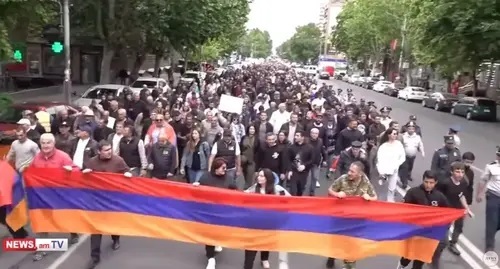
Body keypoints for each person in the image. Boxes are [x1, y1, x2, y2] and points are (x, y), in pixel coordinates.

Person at [82, 140, 131, 269]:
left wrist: (128, 173)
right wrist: (85, 172)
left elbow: (128, 172)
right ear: (99, 151)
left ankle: (115, 238)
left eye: (110, 149)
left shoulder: (118, 160)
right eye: (106, 150)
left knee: (112, 223)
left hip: (113, 199)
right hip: (97, 200)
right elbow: (83, 175)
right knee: (95, 228)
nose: (109, 152)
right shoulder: (92, 162)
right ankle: (95, 257)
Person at [327, 161, 377, 269]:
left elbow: (375, 197)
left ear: (359, 174)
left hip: (356, 221)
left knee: (352, 244)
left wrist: (369, 197)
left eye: (352, 171)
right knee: (337, 241)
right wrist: (337, 194)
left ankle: (348, 265)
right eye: (349, 170)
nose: (349, 173)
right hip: (340, 218)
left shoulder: (365, 182)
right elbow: (330, 190)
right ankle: (332, 256)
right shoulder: (343, 178)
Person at [398, 170, 450, 269]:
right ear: (423, 180)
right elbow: (403, 209)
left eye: (431, 183)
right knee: (408, 256)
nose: (428, 185)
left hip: (429, 233)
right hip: (414, 231)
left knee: (420, 259)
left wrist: (460, 212)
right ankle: (401, 265)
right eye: (426, 182)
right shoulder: (413, 192)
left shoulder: (439, 196)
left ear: (436, 183)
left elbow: (447, 211)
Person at [243, 168, 291, 269]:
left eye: (261, 176)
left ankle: (264, 258)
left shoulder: (277, 189)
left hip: (270, 224)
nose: (258, 178)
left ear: (267, 178)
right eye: (258, 175)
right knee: (250, 249)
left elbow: (290, 199)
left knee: (265, 243)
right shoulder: (254, 188)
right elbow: (243, 195)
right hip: (254, 225)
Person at [194, 158, 232, 269]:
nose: (225, 169)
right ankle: (210, 258)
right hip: (208, 212)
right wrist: (197, 186)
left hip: (222, 212)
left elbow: (236, 191)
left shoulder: (228, 179)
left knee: (219, 232)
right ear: (216, 168)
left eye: (226, 167)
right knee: (209, 234)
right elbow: (198, 192)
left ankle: (217, 242)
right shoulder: (206, 177)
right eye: (223, 167)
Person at [436, 162, 474, 257]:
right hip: (444, 213)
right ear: (451, 172)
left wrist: (467, 209)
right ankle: (436, 254)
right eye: (457, 172)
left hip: (456, 210)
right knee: (443, 239)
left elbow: (461, 195)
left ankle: (451, 244)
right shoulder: (445, 183)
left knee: (458, 227)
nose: (460, 174)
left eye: (462, 172)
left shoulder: (464, 182)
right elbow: (437, 197)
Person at [476, 146, 500, 252]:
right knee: (492, 221)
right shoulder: (491, 166)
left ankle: (491, 232)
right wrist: (479, 194)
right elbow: (483, 180)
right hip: (493, 196)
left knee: (496, 224)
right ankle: (489, 246)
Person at [376, 127, 405, 202]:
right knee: (383, 187)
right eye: (394, 134)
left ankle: (390, 201)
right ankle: (381, 201)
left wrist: (396, 165)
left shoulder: (399, 144)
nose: (395, 135)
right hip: (384, 170)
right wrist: (381, 171)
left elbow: (402, 157)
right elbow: (380, 159)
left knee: (392, 188)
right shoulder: (383, 146)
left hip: (394, 169)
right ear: (389, 135)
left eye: (396, 134)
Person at [288, 130, 314, 196]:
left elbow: (312, 160)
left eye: (297, 136)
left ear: (302, 137)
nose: (295, 137)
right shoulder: (291, 147)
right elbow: (288, 160)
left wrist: (304, 166)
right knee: (293, 191)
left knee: (300, 190)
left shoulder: (309, 148)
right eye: (295, 135)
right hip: (294, 171)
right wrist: (290, 170)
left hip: (304, 172)